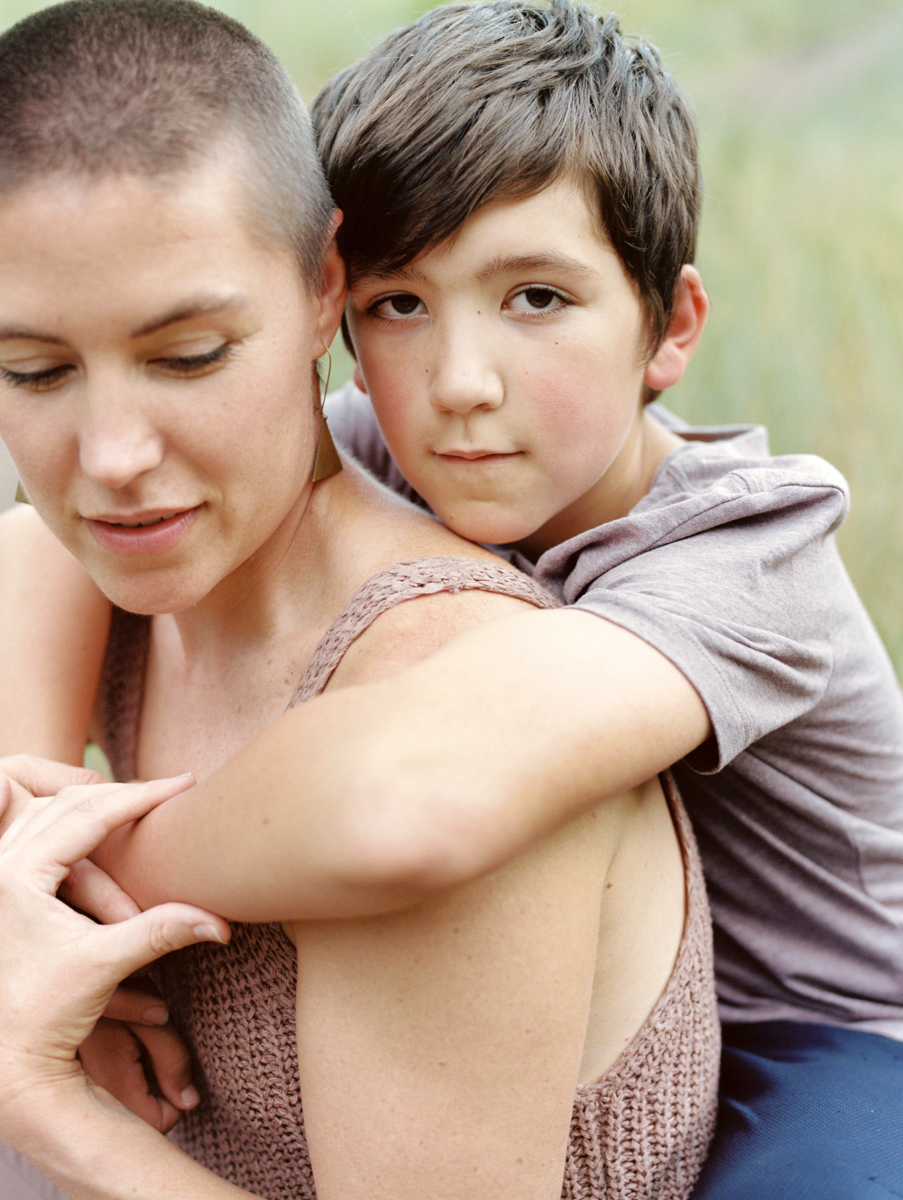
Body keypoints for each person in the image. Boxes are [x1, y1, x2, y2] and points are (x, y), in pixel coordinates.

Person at [3, 0, 903, 1196]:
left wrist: (77, 881)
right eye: (401, 305)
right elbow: (54, 538)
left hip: (829, 1037)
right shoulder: (382, 449)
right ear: (337, 300)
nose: (461, 383)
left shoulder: (748, 551)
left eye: (536, 298)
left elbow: (412, 796)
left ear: (672, 325)